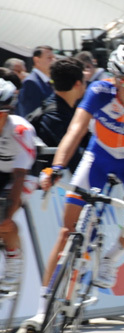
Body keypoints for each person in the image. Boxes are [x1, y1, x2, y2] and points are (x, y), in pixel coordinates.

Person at [22, 45, 124, 333]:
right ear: (115, 79)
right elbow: (75, 130)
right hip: (98, 157)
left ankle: (114, 257)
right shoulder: (99, 92)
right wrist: (57, 167)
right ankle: (41, 311)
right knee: (67, 232)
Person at [0, 79, 37, 287]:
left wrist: (7, 215)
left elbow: (19, 177)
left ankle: (14, 257)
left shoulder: (21, 131)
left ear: (6, 113)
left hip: (23, 173)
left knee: (2, 217)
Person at [30, 57, 87, 170]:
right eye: (85, 81)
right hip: (50, 183)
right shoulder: (55, 116)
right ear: (78, 83)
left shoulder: (67, 109)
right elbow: (73, 159)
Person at [17, 45, 56, 117]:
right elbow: (30, 115)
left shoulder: (49, 81)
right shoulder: (31, 83)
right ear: (37, 60)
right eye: (49, 58)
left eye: (54, 58)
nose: (54, 61)